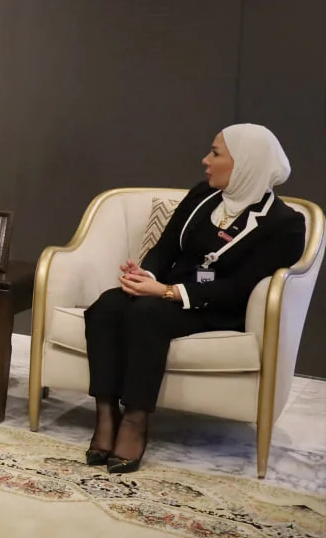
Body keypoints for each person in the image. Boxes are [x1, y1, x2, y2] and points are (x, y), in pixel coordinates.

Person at [83, 124, 305, 473]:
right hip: (166, 291)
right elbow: (166, 248)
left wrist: (169, 292)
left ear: (245, 163)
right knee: (106, 306)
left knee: (146, 313)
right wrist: (146, 276)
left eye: (215, 153)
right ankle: (106, 414)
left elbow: (241, 287)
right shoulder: (203, 195)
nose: (205, 160)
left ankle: (135, 420)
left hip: (219, 306)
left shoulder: (285, 224)